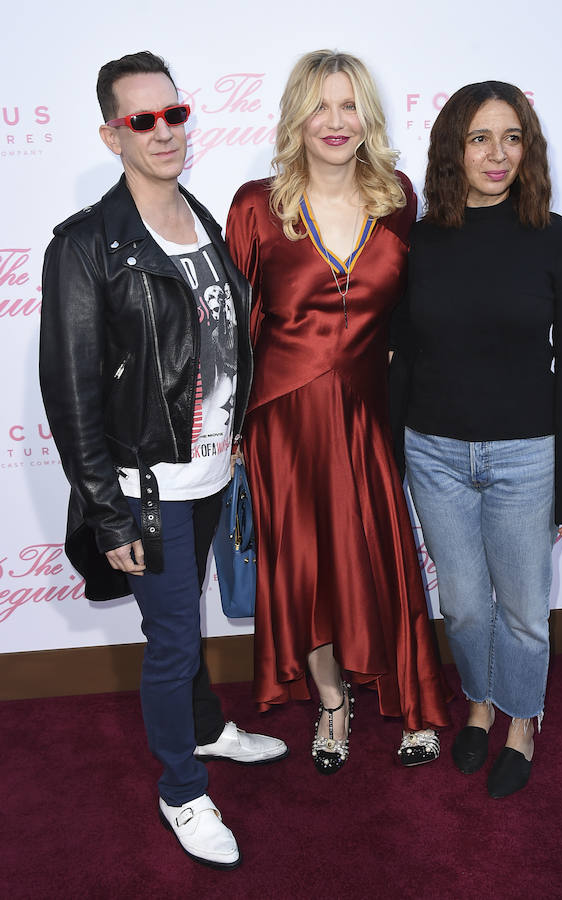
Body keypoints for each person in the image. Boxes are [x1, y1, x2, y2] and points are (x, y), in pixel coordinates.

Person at [39, 51, 288, 869]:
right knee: (175, 638)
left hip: (211, 472)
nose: (162, 132)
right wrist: (107, 512)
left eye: (172, 114)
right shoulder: (86, 246)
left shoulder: (203, 221)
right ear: (112, 133)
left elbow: (215, 351)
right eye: (141, 120)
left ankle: (209, 729)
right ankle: (181, 791)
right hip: (145, 490)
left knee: (189, 621)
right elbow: (71, 394)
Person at [225, 49, 451, 775]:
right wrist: (229, 432)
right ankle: (331, 704)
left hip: (365, 417)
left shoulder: (398, 199)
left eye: (348, 105)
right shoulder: (256, 205)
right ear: (297, 115)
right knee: (304, 570)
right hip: (282, 425)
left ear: (368, 118)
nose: (334, 121)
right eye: (319, 105)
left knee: (383, 561)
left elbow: (413, 315)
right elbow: (230, 327)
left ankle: (415, 700)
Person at [392, 81, 562, 798]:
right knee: (460, 603)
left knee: (522, 607)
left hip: (526, 455)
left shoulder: (552, 238)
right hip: (435, 453)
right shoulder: (420, 239)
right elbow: (400, 354)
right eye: (480, 137)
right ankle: (481, 706)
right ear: (454, 147)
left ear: (529, 148)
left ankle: (522, 718)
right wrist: (388, 454)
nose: (497, 153)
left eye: (512, 137)